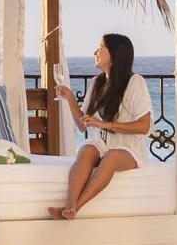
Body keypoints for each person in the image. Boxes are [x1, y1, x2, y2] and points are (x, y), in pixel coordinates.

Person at [49, 32, 152, 219]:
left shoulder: (134, 82)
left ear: (114, 54)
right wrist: (71, 99)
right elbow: (83, 126)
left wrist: (105, 124)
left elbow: (144, 126)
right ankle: (69, 204)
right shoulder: (96, 82)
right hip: (100, 144)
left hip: (127, 149)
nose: (95, 51)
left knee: (111, 157)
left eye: (101, 47)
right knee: (87, 149)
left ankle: (74, 209)